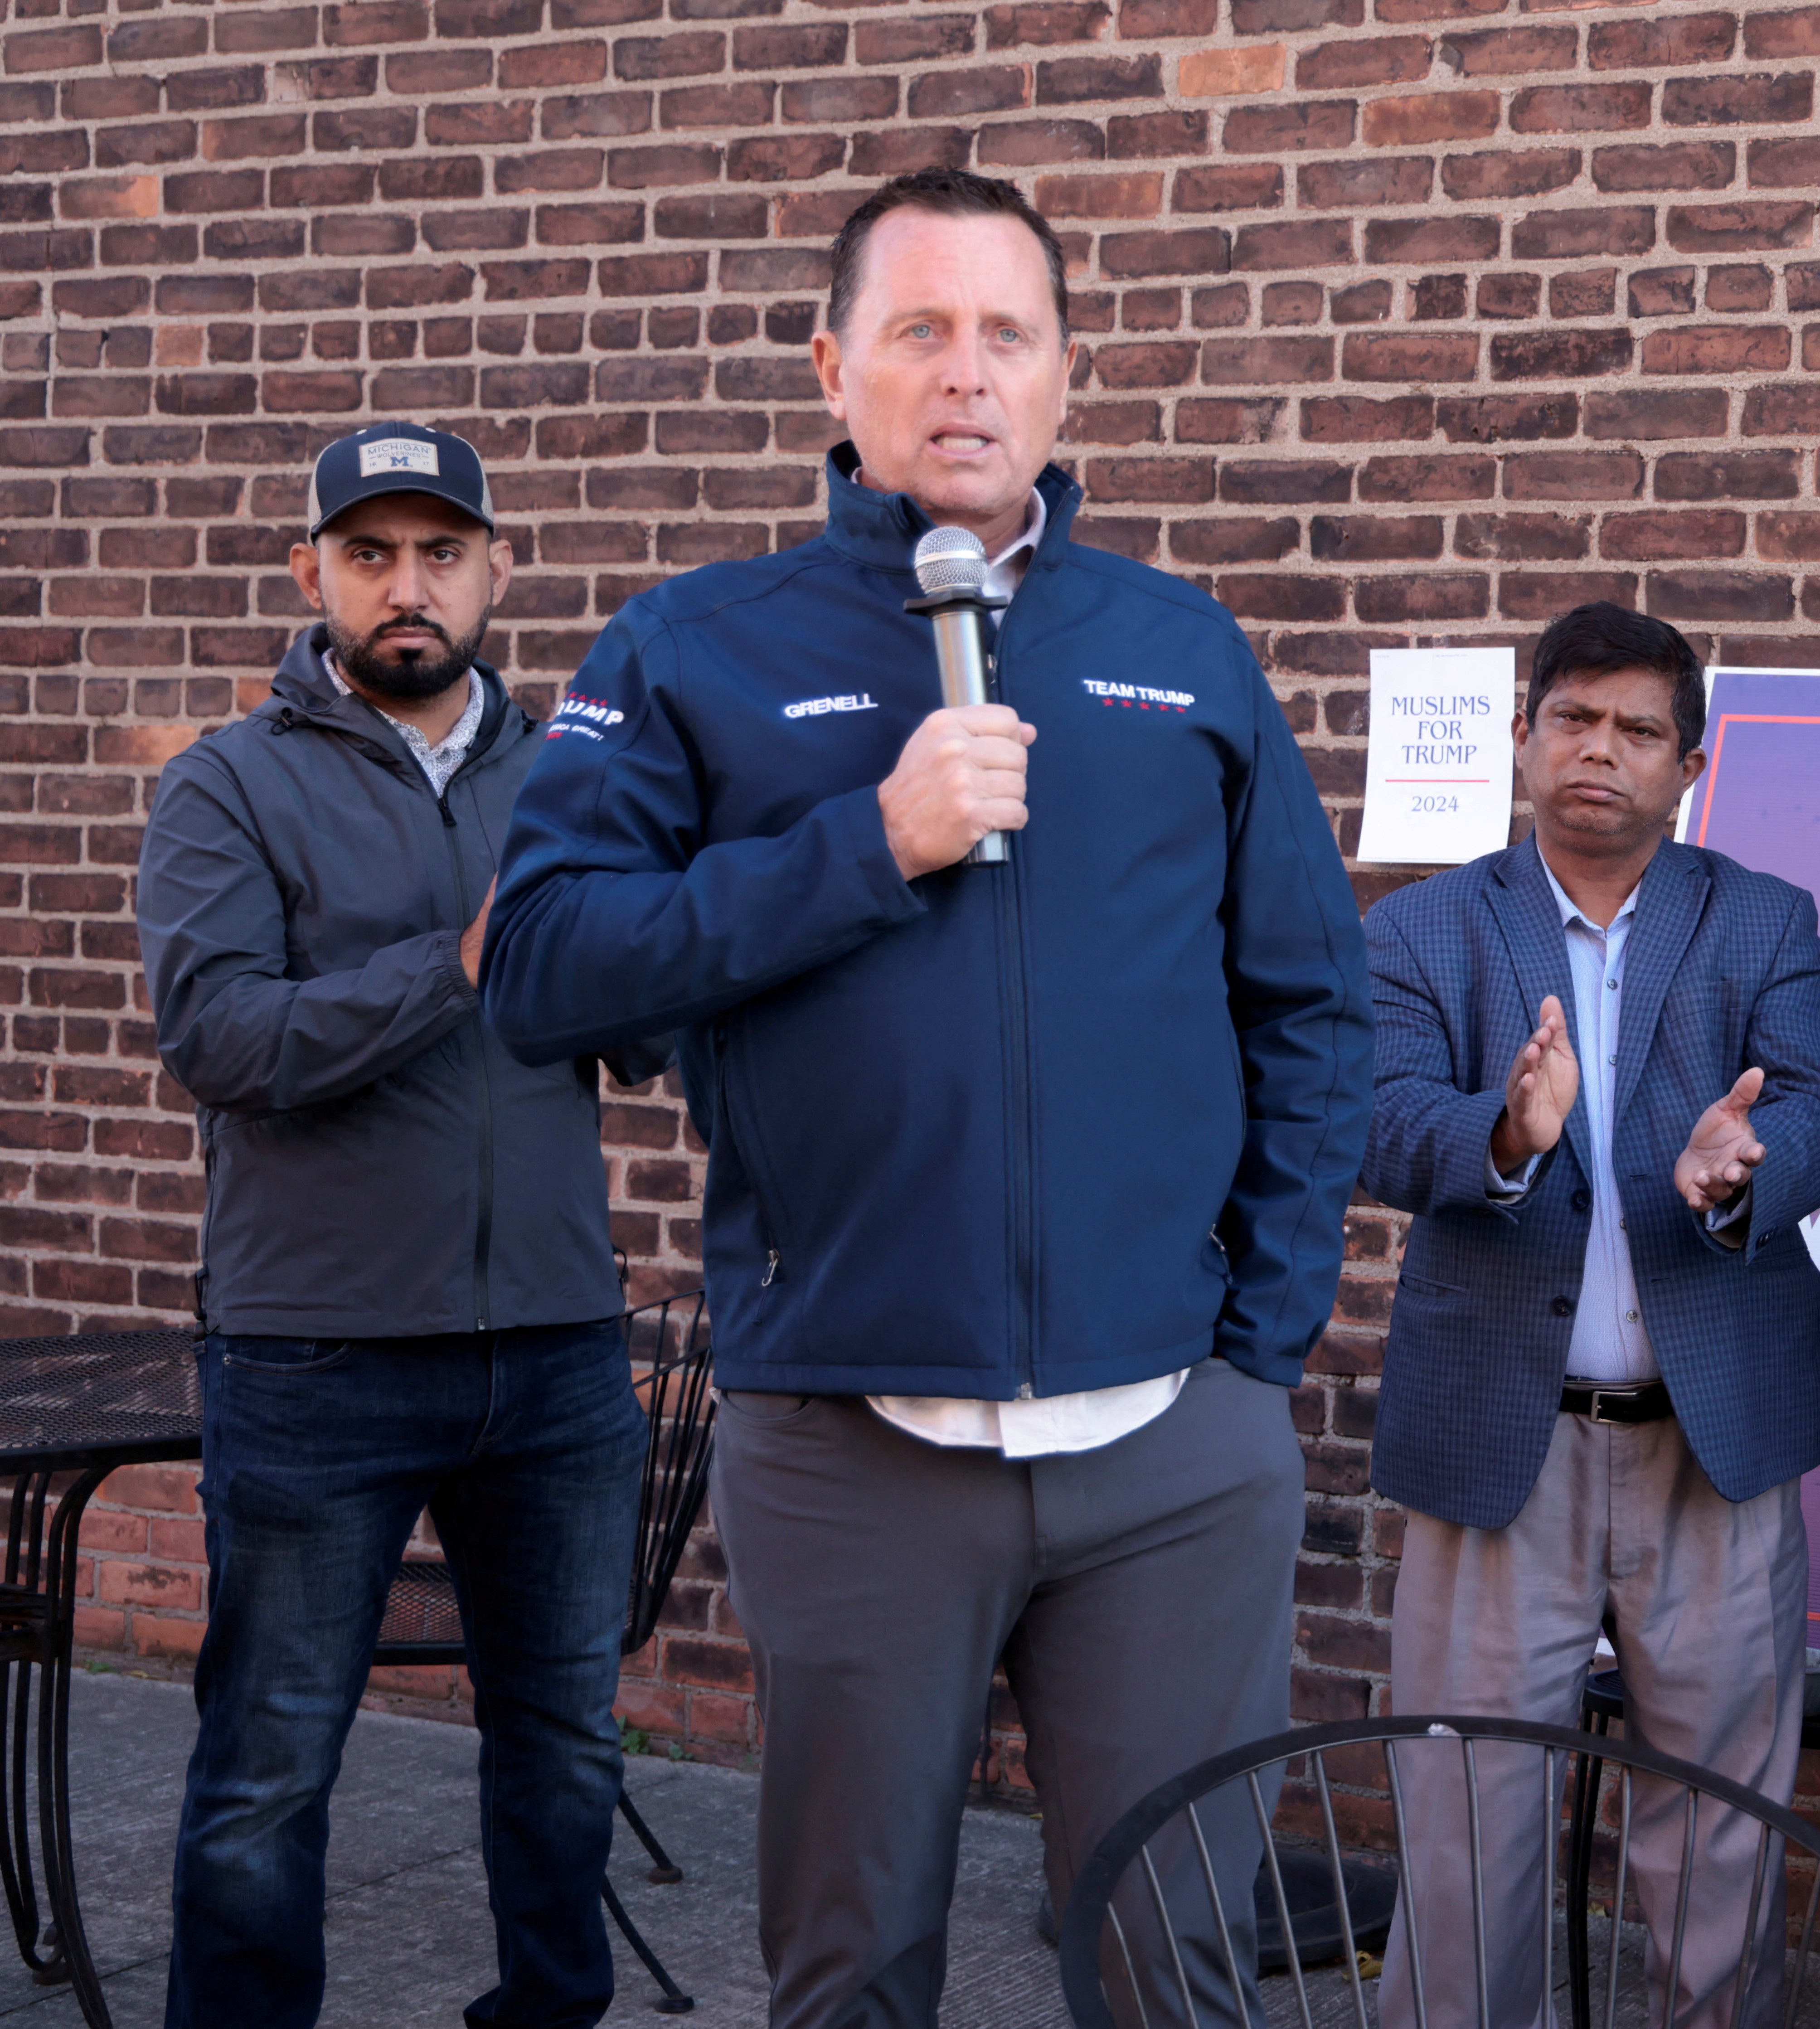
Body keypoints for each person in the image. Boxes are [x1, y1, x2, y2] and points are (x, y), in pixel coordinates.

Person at [481, 168, 1373, 2029]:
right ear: (834, 367)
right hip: (853, 1438)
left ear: (1066, 381)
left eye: (1006, 335)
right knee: (848, 1974)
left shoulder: (1183, 650)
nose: (964, 376)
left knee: (1176, 1971)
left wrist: (1254, 1346)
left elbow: (1305, 1006)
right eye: (917, 330)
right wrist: (865, 843)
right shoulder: (690, 650)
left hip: (1168, 1452)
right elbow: (546, 966)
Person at [137, 422, 660, 2029]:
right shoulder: (229, 784)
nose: (408, 587)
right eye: (369, 554)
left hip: (560, 1353)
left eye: (442, 551)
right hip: (320, 1358)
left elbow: (641, 1031)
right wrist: (461, 959)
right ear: (312, 576)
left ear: (501, 566)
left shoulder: (584, 773)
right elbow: (222, 1041)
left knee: (568, 1745)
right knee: (270, 1765)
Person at [1360, 602, 1820, 2028]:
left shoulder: (1758, 917)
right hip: (1497, 1445)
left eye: (1640, 730)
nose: (1603, 751)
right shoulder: (1424, 928)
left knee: (1719, 1836)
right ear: (1523, 740)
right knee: (1465, 1820)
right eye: (1574, 718)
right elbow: (1380, 1123)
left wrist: (1741, 1173)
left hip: (1710, 1439)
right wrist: (1506, 1136)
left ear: (1688, 763)